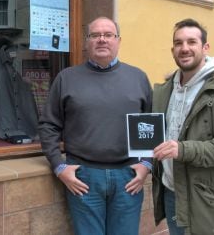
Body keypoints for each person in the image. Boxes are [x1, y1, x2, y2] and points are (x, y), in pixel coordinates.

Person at [39, 16, 152, 235]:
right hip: (83, 177)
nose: (102, 40)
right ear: (86, 42)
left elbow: (149, 124)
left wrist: (147, 163)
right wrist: (59, 167)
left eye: (108, 35)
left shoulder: (138, 78)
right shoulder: (66, 78)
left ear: (118, 40)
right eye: (95, 35)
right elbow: (48, 125)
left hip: (128, 177)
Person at [152, 18, 214, 235]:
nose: (184, 48)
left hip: (210, 201)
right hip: (172, 193)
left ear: (205, 47)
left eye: (191, 42)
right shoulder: (164, 90)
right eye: (178, 43)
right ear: (172, 50)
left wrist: (183, 149)